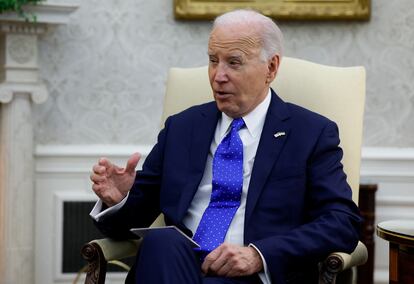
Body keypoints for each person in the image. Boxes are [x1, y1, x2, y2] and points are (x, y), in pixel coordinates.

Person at [90, 9, 361, 284]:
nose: (218, 76)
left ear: (271, 68)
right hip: (177, 266)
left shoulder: (310, 133)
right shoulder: (182, 128)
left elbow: (342, 222)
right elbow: (131, 220)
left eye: (233, 62)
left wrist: (258, 255)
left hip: (252, 274)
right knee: (161, 242)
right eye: (212, 60)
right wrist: (119, 199)